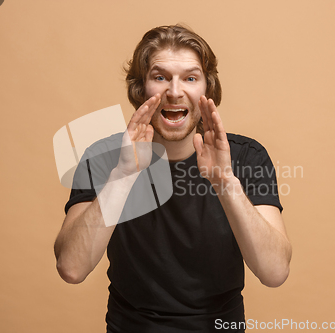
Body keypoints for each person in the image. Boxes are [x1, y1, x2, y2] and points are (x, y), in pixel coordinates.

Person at [54, 24, 292, 333]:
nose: (175, 91)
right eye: (160, 77)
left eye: (190, 78)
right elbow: (71, 268)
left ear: (207, 90)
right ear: (141, 88)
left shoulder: (247, 157)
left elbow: (275, 273)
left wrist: (224, 181)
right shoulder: (105, 157)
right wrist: (123, 175)